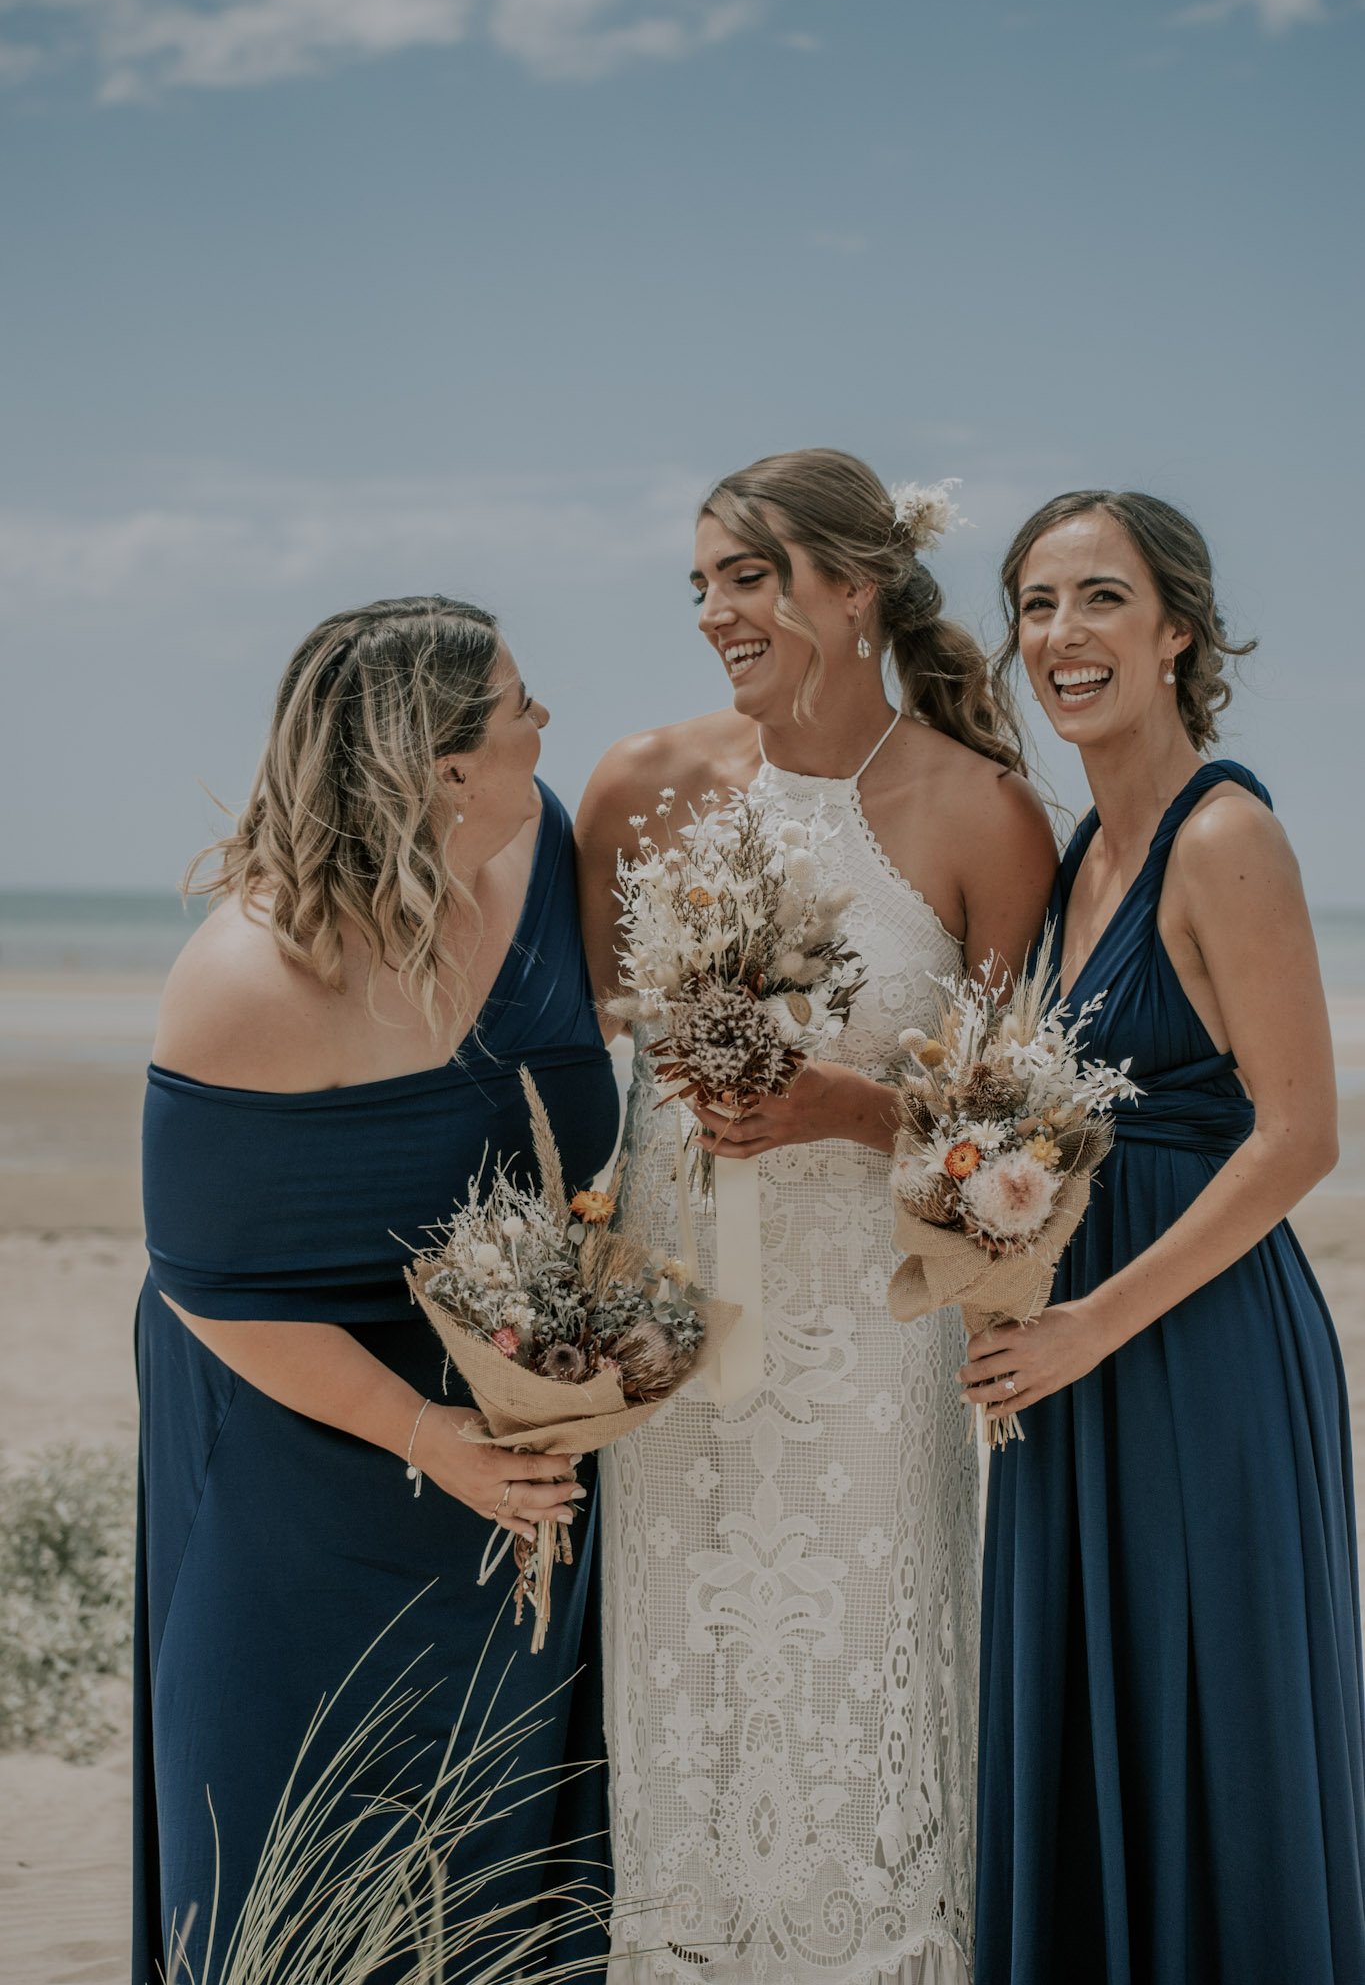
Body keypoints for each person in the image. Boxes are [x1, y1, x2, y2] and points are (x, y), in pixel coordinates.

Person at [576, 449, 1057, 1982]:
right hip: (674, 1331)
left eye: (751, 576)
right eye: (704, 581)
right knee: (681, 1678)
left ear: (853, 590)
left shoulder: (985, 813)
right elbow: (571, 1061)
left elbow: (1020, 1137)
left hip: (871, 1345)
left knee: (860, 1669)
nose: (718, 609)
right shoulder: (638, 782)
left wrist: (852, 1110)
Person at [134, 596, 618, 1984]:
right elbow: (207, 1285)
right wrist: (426, 1436)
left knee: (498, 1852)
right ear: (441, 765)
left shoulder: (544, 846)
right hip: (298, 1437)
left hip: (515, 1424)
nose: (544, 722)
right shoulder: (246, 978)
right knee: (291, 1833)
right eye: (518, 701)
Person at [965, 492, 1365, 1984]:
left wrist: (1087, 1323)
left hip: (1189, 1351)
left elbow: (1296, 1137)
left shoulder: (1225, 834)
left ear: (1175, 629)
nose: (1059, 636)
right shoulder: (1079, 858)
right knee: (1094, 1713)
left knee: (1219, 1720)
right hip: (1074, 1355)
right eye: (1034, 606)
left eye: (1098, 599)